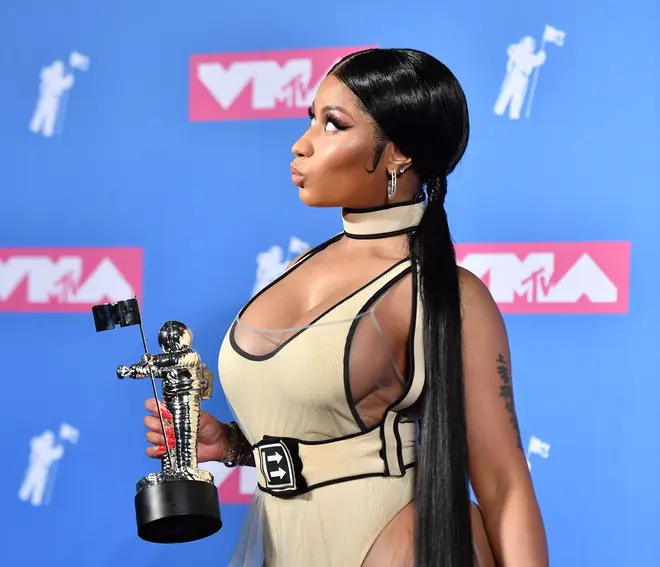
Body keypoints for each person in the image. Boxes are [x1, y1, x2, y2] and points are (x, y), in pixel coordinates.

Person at [143, 47, 549, 567]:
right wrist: (231, 445)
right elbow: (324, 433)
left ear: (398, 154)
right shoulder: (296, 267)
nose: (301, 144)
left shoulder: (446, 292)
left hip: (400, 550)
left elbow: (503, 483)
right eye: (310, 119)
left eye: (333, 125)